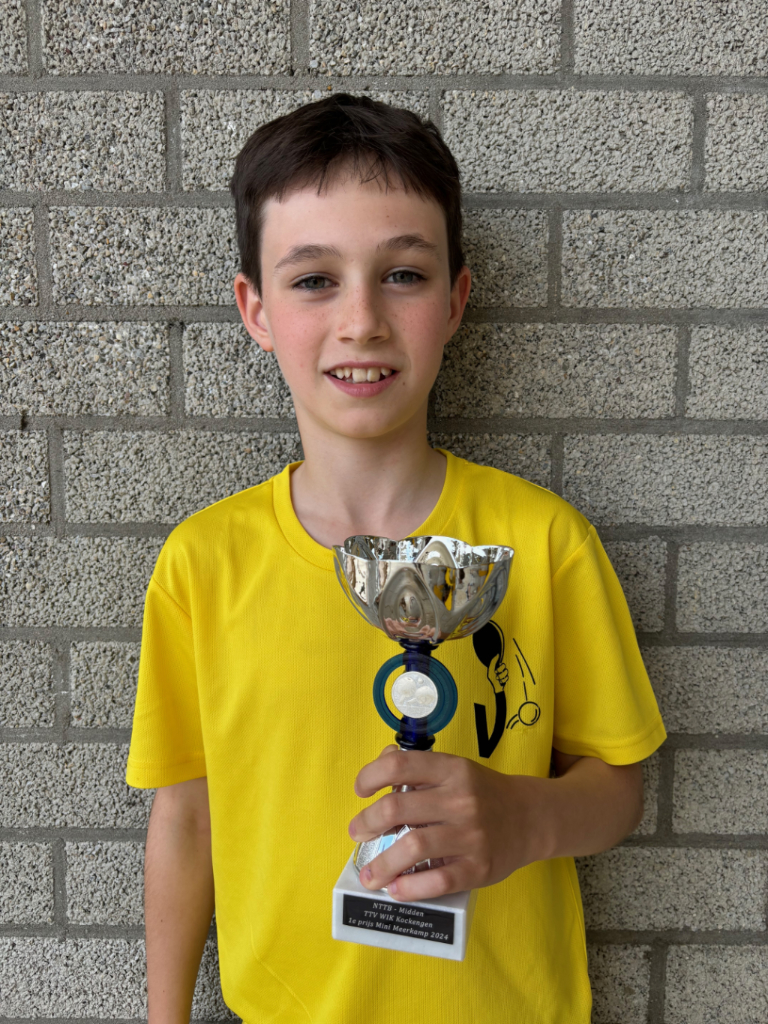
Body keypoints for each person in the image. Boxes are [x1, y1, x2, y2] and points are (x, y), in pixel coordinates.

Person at [126, 94, 666, 1024]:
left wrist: (525, 817)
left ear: (455, 300)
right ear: (255, 310)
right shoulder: (202, 564)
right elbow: (185, 818)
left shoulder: (543, 542)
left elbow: (617, 788)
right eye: (313, 280)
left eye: (404, 275)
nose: (362, 320)